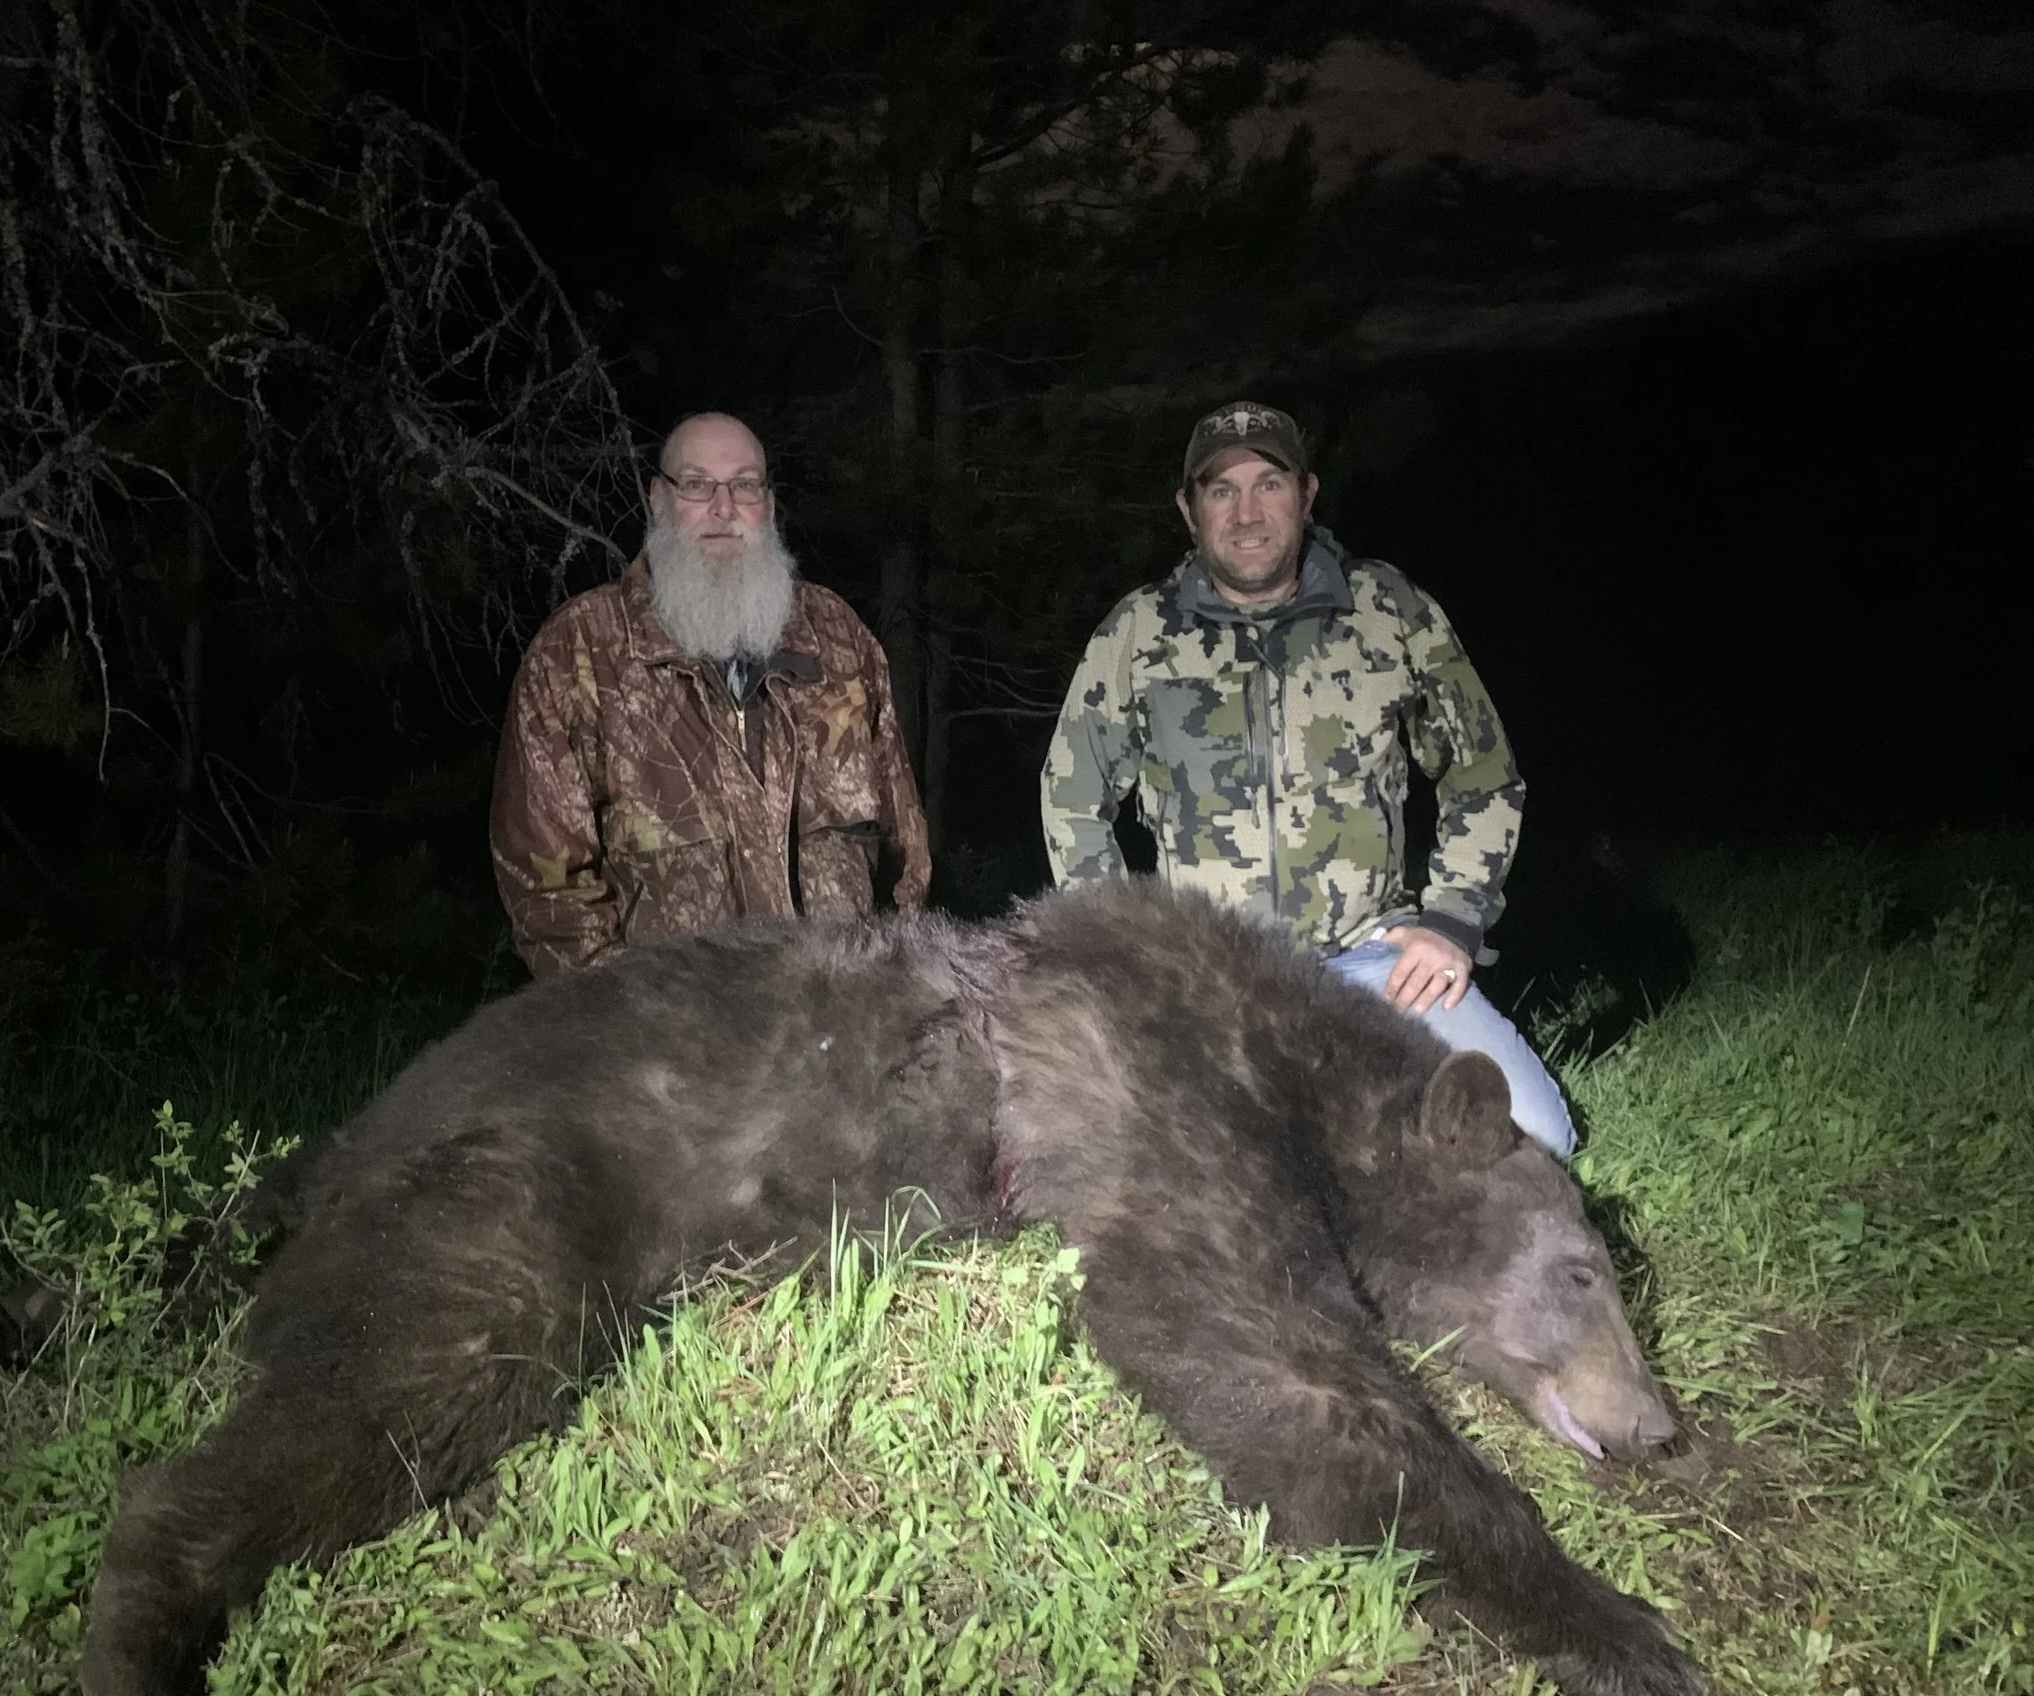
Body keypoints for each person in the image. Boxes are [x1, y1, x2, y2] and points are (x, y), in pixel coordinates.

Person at [1039, 400, 1575, 1153]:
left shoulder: (1388, 611)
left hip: (1372, 959)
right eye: (1222, 491)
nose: (1247, 512)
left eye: (1270, 483)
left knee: (1535, 1136)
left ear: (1308, 494)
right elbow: (1073, 797)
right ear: (1188, 511)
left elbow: (1481, 772)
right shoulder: (1138, 633)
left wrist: (1453, 918)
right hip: (1210, 976)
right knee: (1164, 1163)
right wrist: (1129, 953)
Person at [491, 412, 930, 976]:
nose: (724, 508)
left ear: (767, 504)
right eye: (697, 485)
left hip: (837, 1034)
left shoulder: (838, 641)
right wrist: (621, 1025)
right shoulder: (580, 652)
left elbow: (904, 859)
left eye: (744, 485)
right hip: (674, 1047)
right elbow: (546, 890)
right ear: (659, 498)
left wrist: (889, 999)